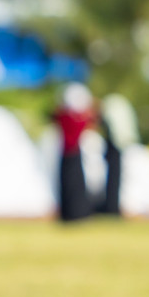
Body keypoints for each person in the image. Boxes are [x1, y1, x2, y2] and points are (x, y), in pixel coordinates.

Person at [55, 82, 96, 223]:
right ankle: (76, 213)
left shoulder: (63, 118)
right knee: (75, 186)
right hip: (74, 153)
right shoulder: (75, 120)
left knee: (67, 186)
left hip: (66, 153)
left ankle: (68, 214)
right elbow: (90, 120)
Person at [96, 93, 138, 216]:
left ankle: (112, 206)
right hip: (116, 149)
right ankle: (112, 205)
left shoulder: (113, 107)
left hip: (116, 149)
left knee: (115, 179)